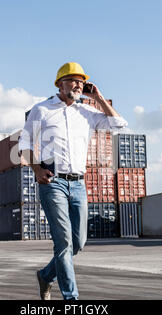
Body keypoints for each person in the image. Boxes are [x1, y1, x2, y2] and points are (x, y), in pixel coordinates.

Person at [18, 62, 128, 300]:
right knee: (64, 242)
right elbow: (24, 144)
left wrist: (98, 98)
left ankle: (46, 275)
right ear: (59, 84)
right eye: (72, 80)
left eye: (81, 81)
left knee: (77, 243)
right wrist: (37, 169)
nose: (77, 84)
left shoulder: (87, 112)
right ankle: (71, 298)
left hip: (79, 184)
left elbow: (119, 124)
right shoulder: (42, 110)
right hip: (52, 182)